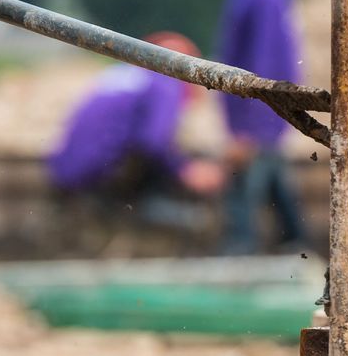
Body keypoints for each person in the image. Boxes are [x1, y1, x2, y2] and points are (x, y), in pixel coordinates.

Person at [47, 32, 224, 229]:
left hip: (66, 169)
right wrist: (184, 171)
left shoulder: (122, 73)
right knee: (166, 167)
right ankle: (158, 214)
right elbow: (152, 142)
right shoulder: (164, 81)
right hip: (97, 177)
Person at [212, 0, 307, 257]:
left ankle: (241, 281)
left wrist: (248, 132)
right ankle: (298, 261)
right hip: (261, 119)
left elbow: (265, 62)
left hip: (258, 121)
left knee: (242, 208)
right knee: (278, 201)